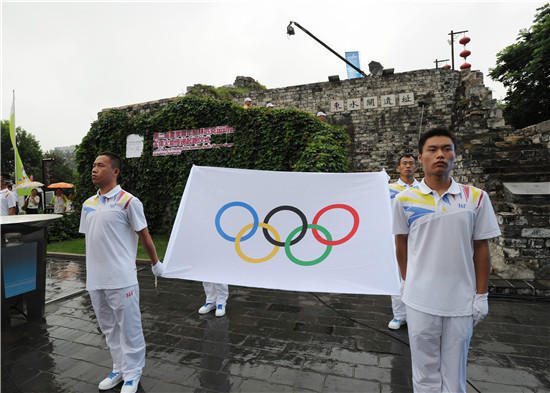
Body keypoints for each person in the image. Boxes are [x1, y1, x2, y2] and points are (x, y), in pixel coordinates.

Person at [392, 128, 500, 393]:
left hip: (460, 300)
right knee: (424, 370)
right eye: (432, 149)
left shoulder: (475, 197)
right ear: (420, 158)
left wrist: (481, 295)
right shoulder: (404, 200)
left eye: (446, 149)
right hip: (420, 300)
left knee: (455, 372)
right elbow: (401, 244)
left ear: (454, 155)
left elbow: (482, 248)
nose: (440, 154)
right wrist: (407, 281)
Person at [79, 152, 164, 393]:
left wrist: (156, 263)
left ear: (115, 171)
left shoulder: (128, 201)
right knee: (108, 328)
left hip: (122, 278)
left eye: (100, 165)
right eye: (93, 165)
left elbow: (144, 235)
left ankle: (133, 373)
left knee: (129, 327)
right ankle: (119, 367)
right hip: (96, 279)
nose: (94, 169)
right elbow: (93, 239)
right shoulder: (88, 204)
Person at [387, 154, 420, 330]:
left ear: (416, 167)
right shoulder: (388, 189)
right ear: (399, 168)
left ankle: (417, 314)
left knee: (417, 276)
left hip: (418, 239)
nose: (408, 166)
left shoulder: (423, 189)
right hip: (396, 237)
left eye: (411, 163)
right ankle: (399, 316)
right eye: (404, 164)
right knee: (398, 277)